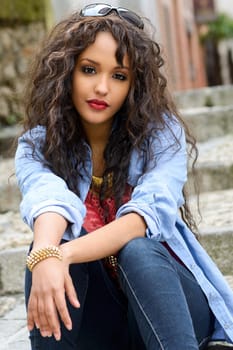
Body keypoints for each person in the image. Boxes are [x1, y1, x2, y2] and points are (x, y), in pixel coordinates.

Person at [15, 3, 233, 350]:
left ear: (134, 85)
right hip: (105, 321)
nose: (102, 87)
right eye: (89, 69)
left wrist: (62, 255)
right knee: (45, 250)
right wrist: (45, 253)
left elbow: (143, 217)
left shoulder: (161, 136)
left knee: (138, 251)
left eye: (119, 76)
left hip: (173, 311)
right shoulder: (36, 145)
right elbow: (47, 198)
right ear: (67, 71)